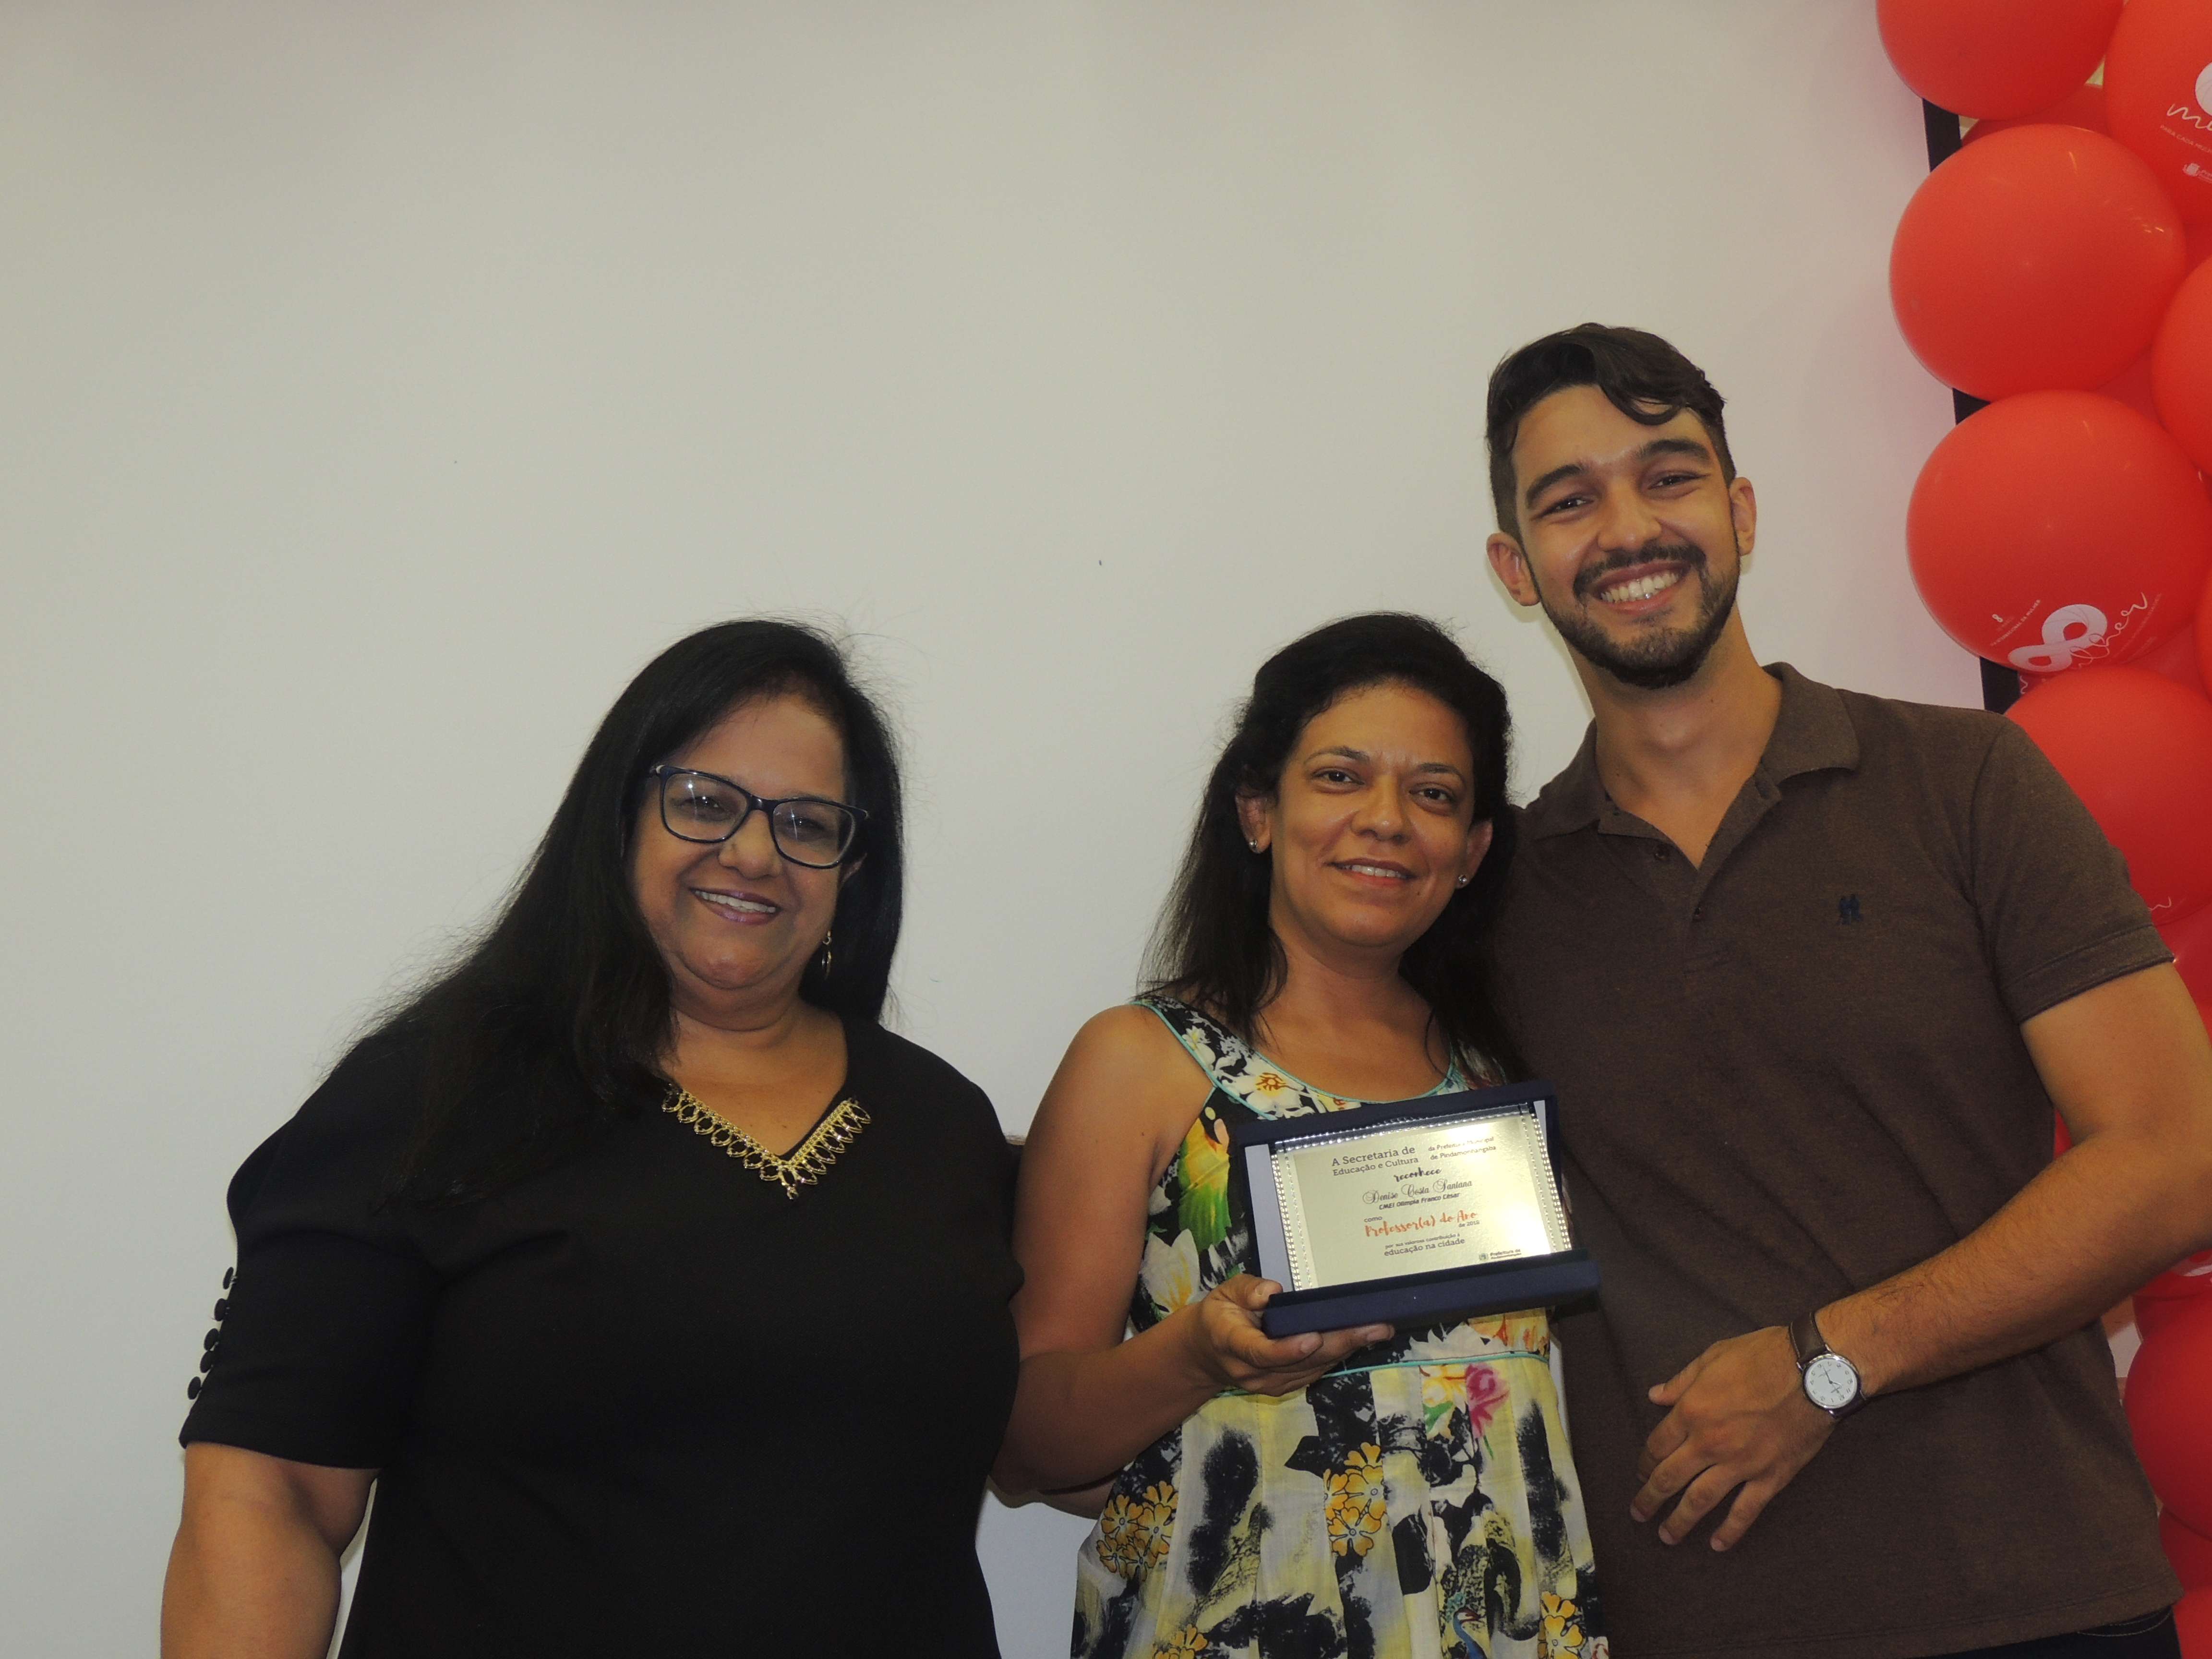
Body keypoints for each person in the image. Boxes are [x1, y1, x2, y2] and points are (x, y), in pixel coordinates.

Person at [1479, 323, 2212, 1659]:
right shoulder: (1500, 896)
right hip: (1699, 1628)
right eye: (1569, 501)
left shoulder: (1966, 781)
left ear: (1742, 512)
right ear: (1515, 568)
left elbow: (2174, 1158)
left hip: (2042, 1600)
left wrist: (1829, 1361)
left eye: (1669, 476)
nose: (1629, 528)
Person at [160, 619, 1022, 1659]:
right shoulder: (435, 1095)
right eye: (703, 801)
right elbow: (272, 1492)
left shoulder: (942, 1124)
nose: (754, 853)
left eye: (806, 823)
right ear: (618, 821)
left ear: (853, 868)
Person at [1000, 613, 1603, 1659]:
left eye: (1434, 794)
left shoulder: (1498, 1082)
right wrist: (1198, 1356)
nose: (1386, 821)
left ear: (1473, 851)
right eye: (1339, 777)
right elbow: (1021, 1447)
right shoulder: (1143, 1062)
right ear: (1257, 812)